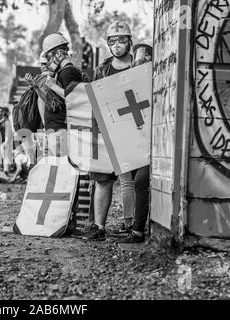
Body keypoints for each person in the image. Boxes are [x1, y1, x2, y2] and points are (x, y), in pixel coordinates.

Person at [85, 21, 136, 241]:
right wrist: (95, 134)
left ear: (130, 42)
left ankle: (130, 225)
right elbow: (96, 103)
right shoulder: (102, 70)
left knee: (128, 181)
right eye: (112, 41)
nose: (117, 45)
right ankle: (99, 227)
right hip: (106, 132)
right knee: (102, 180)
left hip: (133, 132)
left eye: (122, 40)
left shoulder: (140, 65)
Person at [117, 41, 153, 245]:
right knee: (138, 181)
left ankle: (139, 231)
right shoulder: (131, 84)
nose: (140, 62)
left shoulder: (158, 81)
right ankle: (137, 230)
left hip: (157, 145)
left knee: (141, 181)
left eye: (145, 58)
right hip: (142, 145)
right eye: (137, 59)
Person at [40, 32, 83, 157]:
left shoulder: (68, 72)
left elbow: (76, 98)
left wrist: (53, 86)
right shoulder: (61, 73)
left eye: (48, 57)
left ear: (58, 53)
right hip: (56, 130)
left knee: (64, 168)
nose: (47, 62)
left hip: (62, 130)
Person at [0, 106, 13, 175]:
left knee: (5, 156)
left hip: (4, 141)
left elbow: (8, 132)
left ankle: (6, 170)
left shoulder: (6, 121)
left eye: (0, 111)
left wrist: (6, 142)